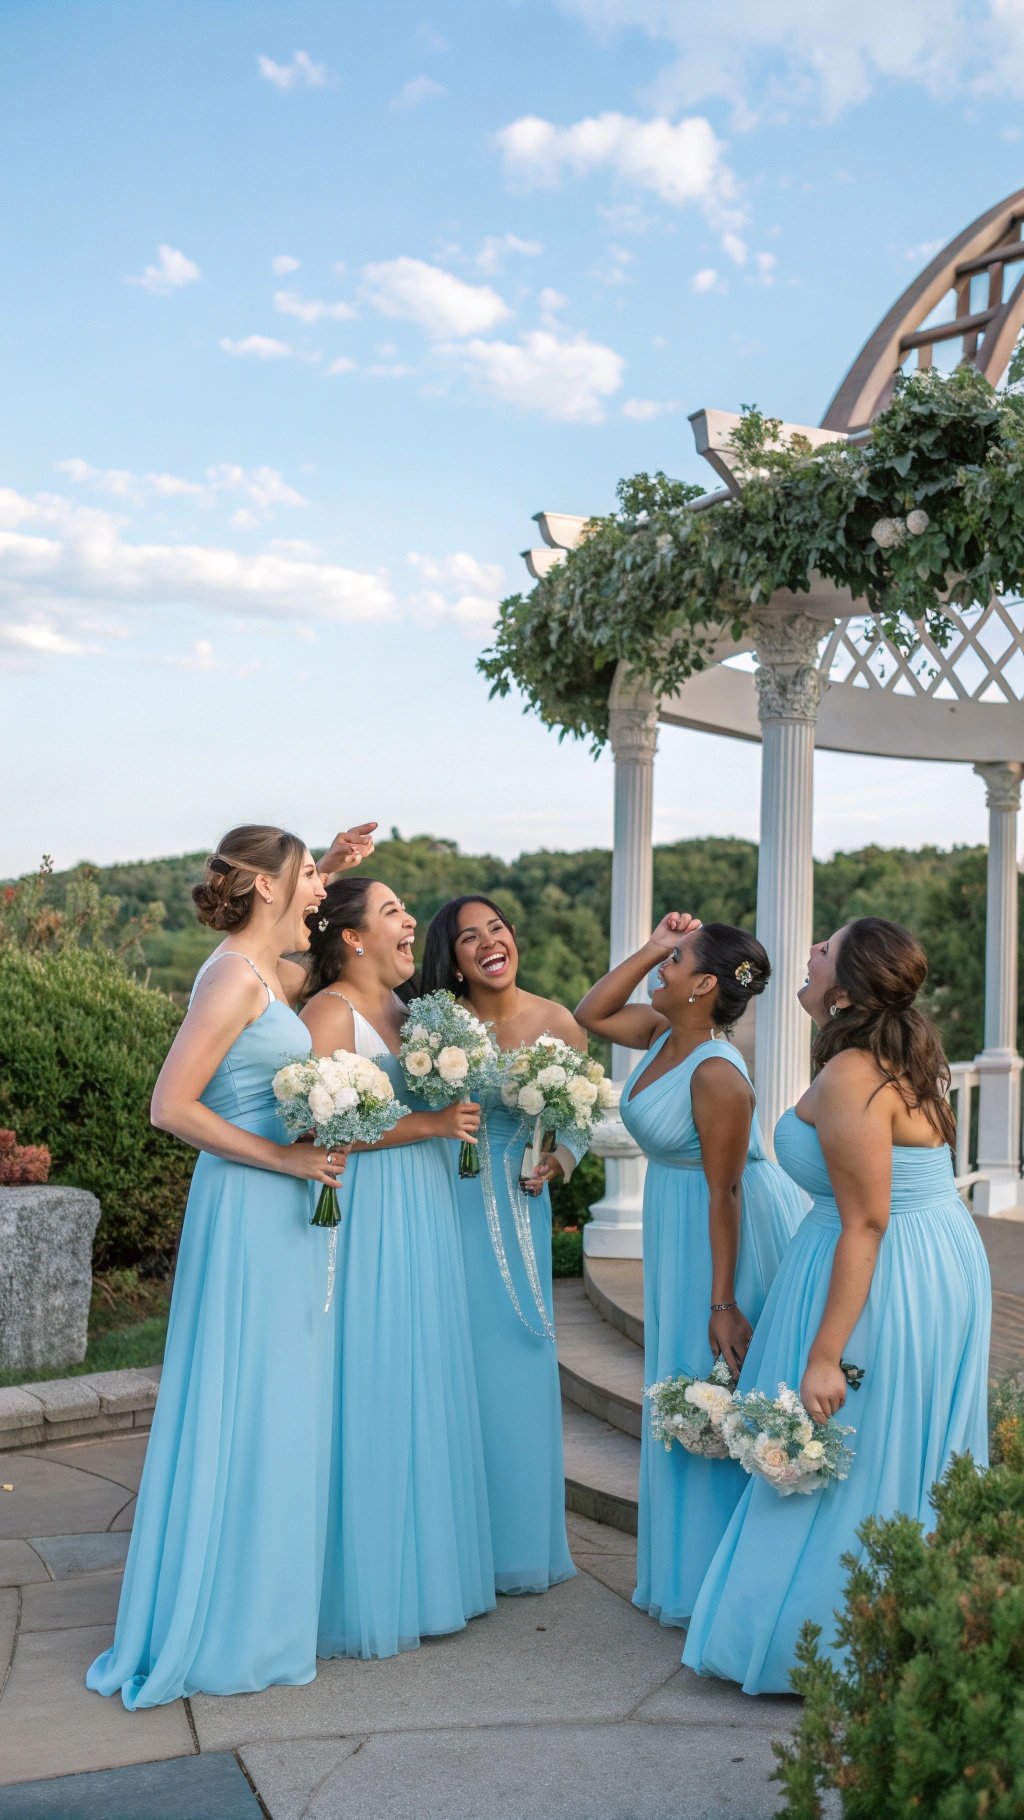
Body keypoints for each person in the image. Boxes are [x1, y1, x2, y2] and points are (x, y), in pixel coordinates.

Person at [683, 917, 992, 1695]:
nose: (810, 951)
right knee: (879, 1446)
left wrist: (827, 1354)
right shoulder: (889, 1057)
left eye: (825, 949)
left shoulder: (857, 1073)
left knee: (847, 1441)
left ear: (846, 989)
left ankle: (829, 1643)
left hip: (887, 1270)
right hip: (904, 1253)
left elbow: (867, 1219)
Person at [88, 825, 356, 1708]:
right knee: (248, 1400)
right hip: (249, 1209)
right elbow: (171, 1104)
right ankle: (224, 1624)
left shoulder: (262, 975)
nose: (322, 890)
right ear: (270, 886)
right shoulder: (234, 978)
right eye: (310, 875)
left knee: (277, 1405)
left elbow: (299, 956)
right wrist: (282, 1161)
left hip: (280, 1214)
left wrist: (328, 872)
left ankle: (261, 1613)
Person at [576, 913, 804, 1628]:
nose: (660, 970)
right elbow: (591, 1013)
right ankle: (692, 1575)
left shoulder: (715, 1072)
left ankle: (730, 1587)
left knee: (715, 1387)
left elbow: (727, 1191)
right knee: (681, 1389)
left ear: (705, 985)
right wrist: (646, 944)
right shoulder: (661, 1034)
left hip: (725, 1235)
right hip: (680, 1225)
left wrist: (722, 1301)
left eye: (673, 962)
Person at [300, 878, 495, 1658]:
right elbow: (322, 1121)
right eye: (390, 912)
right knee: (374, 1374)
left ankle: (426, 1575)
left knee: (424, 1371)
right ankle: (363, 1585)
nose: (409, 920)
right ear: (350, 937)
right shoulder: (328, 1013)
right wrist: (433, 1122)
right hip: (370, 1212)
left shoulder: (417, 1015)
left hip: (424, 1205)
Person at [421, 895, 588, 1595]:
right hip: (443, 1202)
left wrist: (561, 1161)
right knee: (446, 1364)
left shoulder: (558, 1021)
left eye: (497, 929)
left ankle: (516, 1545)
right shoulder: (433, 1027)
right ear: (452, 959)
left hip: (519, 1207)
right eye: (469, 937)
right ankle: (449, 1546)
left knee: (516, 1364)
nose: (490, 943)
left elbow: (578, 1120)